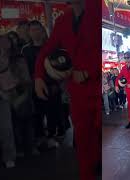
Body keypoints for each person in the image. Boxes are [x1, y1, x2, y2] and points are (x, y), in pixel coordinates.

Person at [34, 0, 100, 179]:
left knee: (97, 134)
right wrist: (39, 76)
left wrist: (88, 71)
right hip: (77, 91)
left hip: (97, 85)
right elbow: (47, 49)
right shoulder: (63, 20)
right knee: (82, 136)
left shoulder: (98, 10)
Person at [22, 20, 59, 149]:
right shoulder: (26, 50)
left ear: (42, 31)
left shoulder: (50, 48)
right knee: (37, 113)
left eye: (37, 29)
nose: (35, 32)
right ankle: (40, 137)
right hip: (34, 85)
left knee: (52, 112)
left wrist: (55, 83)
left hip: (51, 84)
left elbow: (56, 67)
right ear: (29, 32)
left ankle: (51, 136)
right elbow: (25, 69)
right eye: (32, 30)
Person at [0, 34, 18, 168]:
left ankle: (9, 156)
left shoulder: (1, 51)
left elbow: (4, 66)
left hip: (2, 92)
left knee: (6, 127)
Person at [115, 51, 130, 128]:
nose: (126, 59)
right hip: (129, 90)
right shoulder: (124, 68)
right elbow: (119, 77)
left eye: (128, 57)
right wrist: (116, 85)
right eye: (125, 58)